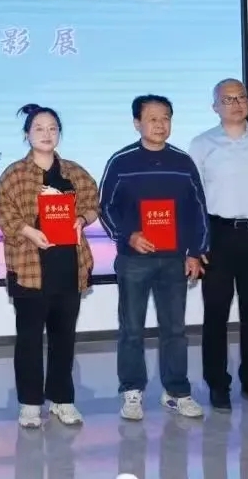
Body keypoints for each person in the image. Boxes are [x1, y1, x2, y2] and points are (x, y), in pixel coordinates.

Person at [99, 94, 208, 421]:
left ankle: (176, 391)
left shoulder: (183, 162)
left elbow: (198, 210)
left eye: (165, 118)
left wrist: (196, 252)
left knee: (175, 329)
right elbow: (105, 207)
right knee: (131, 329)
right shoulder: (121, 161)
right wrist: (129, 235)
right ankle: (132, 390)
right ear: (137, 123)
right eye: (152, 119)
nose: (160, 125)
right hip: (134, 260)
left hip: (174, 260)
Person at [0, 104, 99, 428]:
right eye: (39, 128)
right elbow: (5, 215)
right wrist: (29, 231)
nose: (46, 134)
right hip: (29, 268)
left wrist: (82, 220)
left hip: (68, 267)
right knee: (28, 340)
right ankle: (29, 403)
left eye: (52, 128)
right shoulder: (14, 174)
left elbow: (93, 203)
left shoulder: (74, 172)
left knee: (63, 338)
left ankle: (62, 399)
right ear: (27, 134)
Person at [188, 79, 248, 413]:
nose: (236, 104)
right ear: (215, 106)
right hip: (217, 235)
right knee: (215, 313)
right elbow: (193, 197)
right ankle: (217, 383)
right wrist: (195, 243)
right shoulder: (202, 144)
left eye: (241, 97)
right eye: (227, 99)